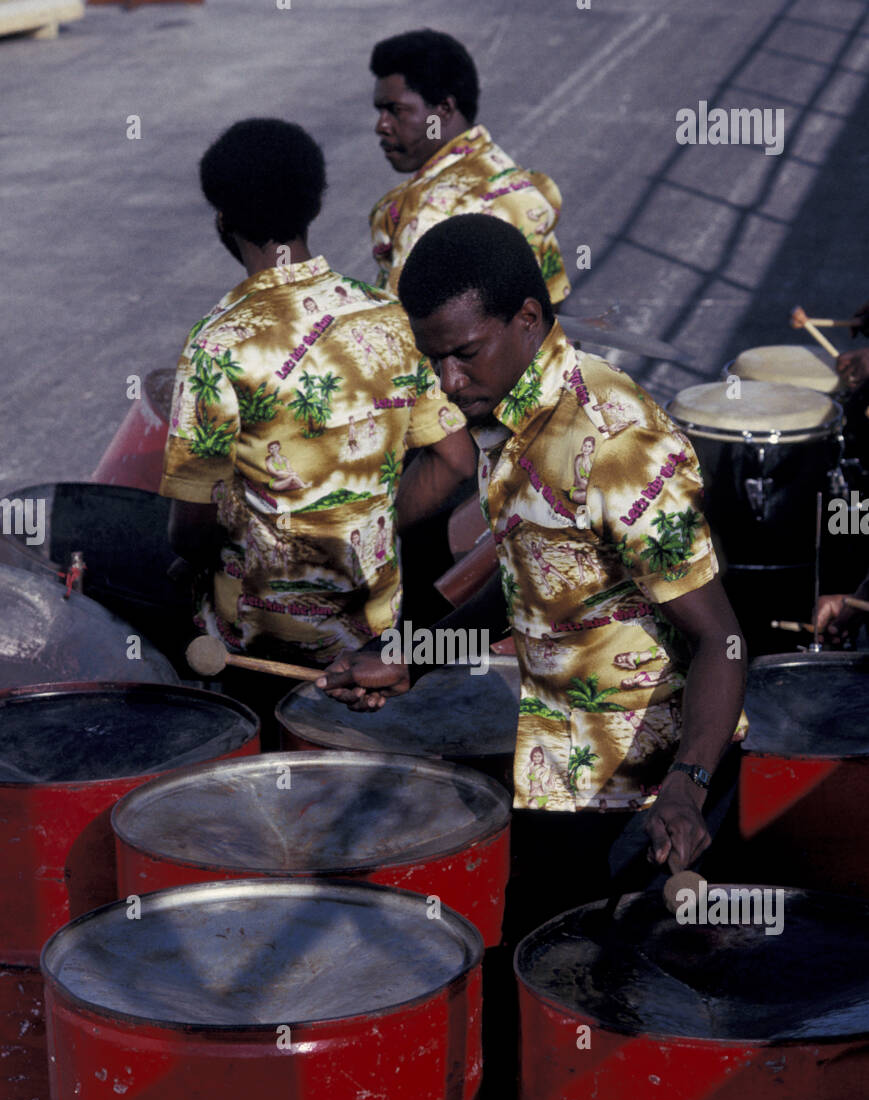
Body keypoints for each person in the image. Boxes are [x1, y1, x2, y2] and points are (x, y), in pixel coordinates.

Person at [319, 215, 748, 911]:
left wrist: (688, 784)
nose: (448, 381)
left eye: (464, 353)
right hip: (560, 775)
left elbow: (720, 639)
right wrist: (414, 655)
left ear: (526, 318)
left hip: (647, 797)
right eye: (434, 360)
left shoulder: (613, 443)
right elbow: (537, 575)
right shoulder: (509, 416)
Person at [160, 118, 474, 672]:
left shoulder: (218, 344)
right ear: (315, 206)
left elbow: (190, 529)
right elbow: (455, 460)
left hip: (257, 647)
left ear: (223, 217)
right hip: (373, 640)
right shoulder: (390, 318)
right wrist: (367, 531)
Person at [369, 29, 570, 305]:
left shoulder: (429, 210)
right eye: (380, 111)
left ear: (443, 109)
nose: (382, 125)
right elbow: (555, 300)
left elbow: (403, 323)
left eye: (396, 110)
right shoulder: (515, 177)